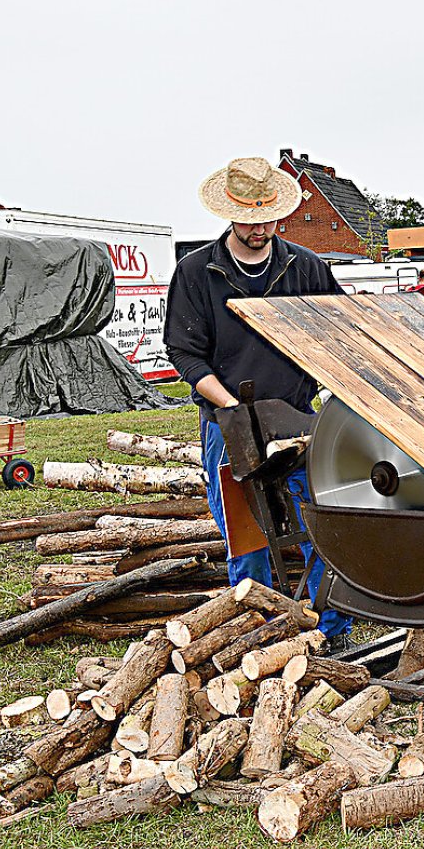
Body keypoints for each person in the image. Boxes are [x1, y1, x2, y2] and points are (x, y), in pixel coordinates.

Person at [164, 156, 351, 646]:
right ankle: (259, 632)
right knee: (246, 537)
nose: (259, 227)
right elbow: (185, 352)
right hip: (229, 420)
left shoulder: (306, 267)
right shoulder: (197, 272)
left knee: (320, 523)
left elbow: (336, 335)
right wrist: (230, 407)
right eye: (248, 218)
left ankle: (331, 630)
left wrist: (331, 391)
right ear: (229, 214)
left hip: (299, 416)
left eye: (267, 217)